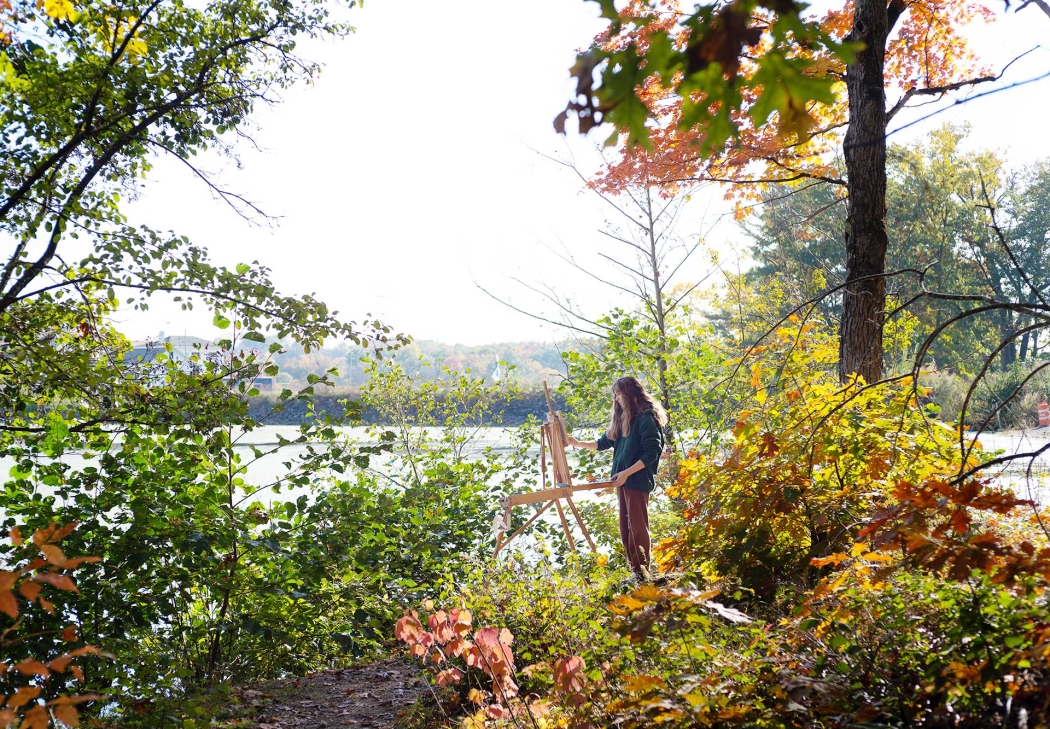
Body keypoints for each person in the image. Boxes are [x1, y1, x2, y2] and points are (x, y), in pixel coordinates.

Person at [567, 376, 667, 578]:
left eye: (619, 394)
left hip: (636, 481)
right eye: (615, 394)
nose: (617, 399)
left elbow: (651, 452)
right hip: (622, 481)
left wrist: (626, 474)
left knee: (637, 529)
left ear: (631, 394)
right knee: (626, 529)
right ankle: (636, 574)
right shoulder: (625, 418)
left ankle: (643, 575)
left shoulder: (647, 418)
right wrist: (576, 443)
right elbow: (603, 443)